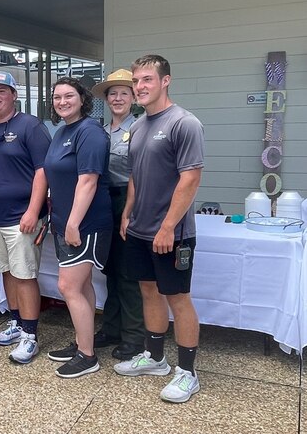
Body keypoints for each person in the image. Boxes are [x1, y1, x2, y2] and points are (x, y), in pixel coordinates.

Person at [113, 55, 204, 404]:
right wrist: (128, 213)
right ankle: (154, 358)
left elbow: (190, 178)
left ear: (165, 81)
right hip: (139, 229)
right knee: (148, 291)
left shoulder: (184, 123)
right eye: (137, 80)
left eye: (147, 79)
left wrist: (167, 227)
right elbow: (136, 175)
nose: (140, 87)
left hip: (173, 233)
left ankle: (187, 373)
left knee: (177, 298)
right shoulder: (137, 126)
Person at [0, 71, 50, 365]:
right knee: (6, 271)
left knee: (25, 274)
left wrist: (33, 211)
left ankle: (30, 335)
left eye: (2, 91)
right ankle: (17, 324)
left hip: (22, 218)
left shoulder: (31, 126)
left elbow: (42, 171)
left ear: (14, 95)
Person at [43, 77, 112, 378]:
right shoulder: (62, 131)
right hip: (63, 222)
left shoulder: (90, 132)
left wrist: (73, 223)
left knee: (67, 286)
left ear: (83, 99)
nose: (62, 102)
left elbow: (88, 180)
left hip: (85, 224)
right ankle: (83, 342)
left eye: (68, 96)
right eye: (57, 97)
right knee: (82, 286)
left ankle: (87, 356)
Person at [90, 69, 145, 361]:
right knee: (110, 269)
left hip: (129, 199)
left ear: (134, 97)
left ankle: (135, 336)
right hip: (103, 199)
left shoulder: (140, 128)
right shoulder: (100, 131)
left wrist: (129, 210)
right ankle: (112, 327)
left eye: (124, 92)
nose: (118, 98)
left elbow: (140, 173)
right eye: (113, 93)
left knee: (128, 273)